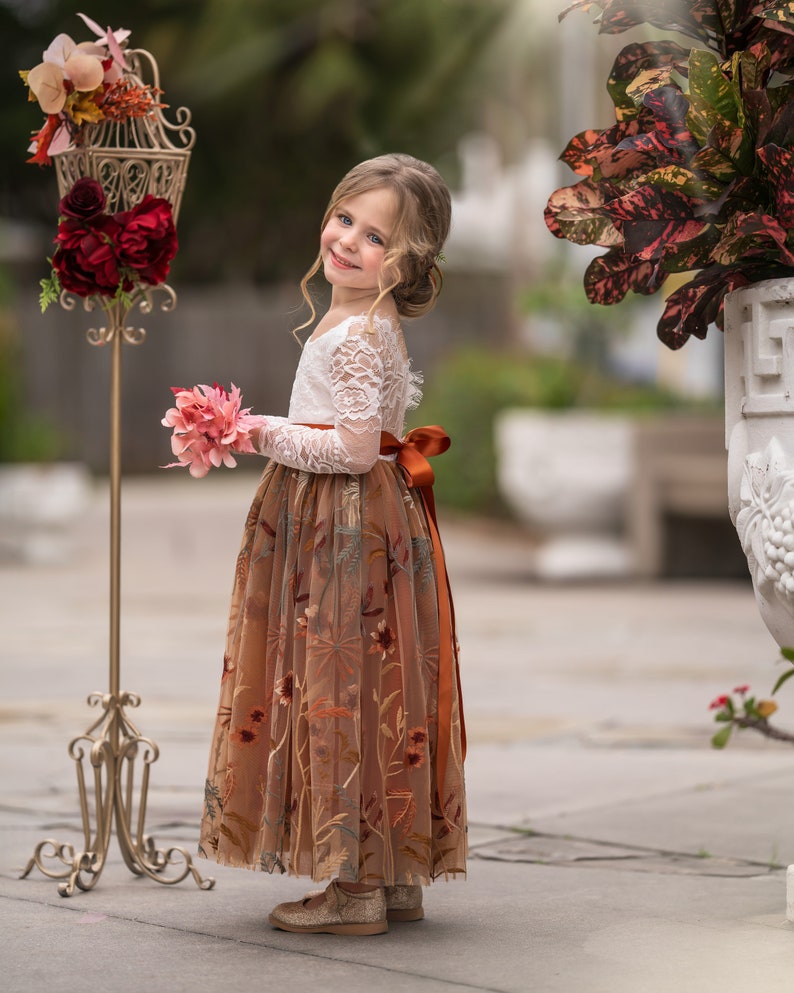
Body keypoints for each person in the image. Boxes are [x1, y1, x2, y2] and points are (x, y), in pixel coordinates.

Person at [198, 153, 467, 935]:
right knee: (380, 676)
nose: (347, 241)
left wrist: (252, 432)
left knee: (335, 685)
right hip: (373, 513)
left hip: (341, 519)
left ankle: (352, 887)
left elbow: (351, 448)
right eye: (344, 218)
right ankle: (393, 871)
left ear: (408, 260)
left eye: (374, 235)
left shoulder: (355, 332)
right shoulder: (363, 318)